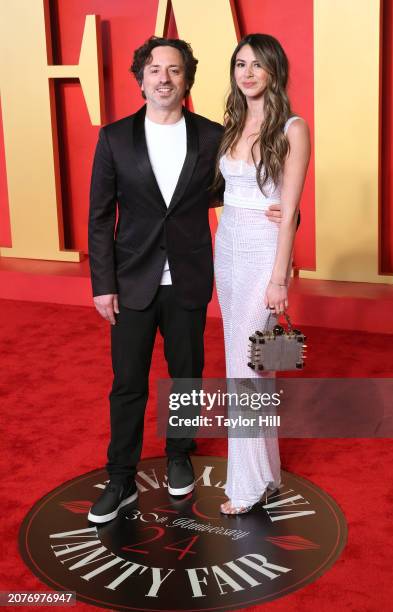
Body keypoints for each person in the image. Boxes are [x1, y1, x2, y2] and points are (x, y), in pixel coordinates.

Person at [87, 35, 284, 524]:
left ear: (187, 79)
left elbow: (242, 191)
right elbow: (99, 216)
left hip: (191, 278)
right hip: (131, 281)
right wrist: (102, 283)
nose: (163, 78)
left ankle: (179, 454)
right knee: (127, 382)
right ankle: (120, 478)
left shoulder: (213, 135)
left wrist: (284, 214)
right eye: (154, 70)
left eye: (174, 70)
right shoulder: (113, 137)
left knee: (187, 377)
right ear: (140, 79)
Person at [213, 33, 310, 514]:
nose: (247, 73)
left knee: (243, 368)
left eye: (256, 65)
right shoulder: (231, 125)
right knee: (252, 362)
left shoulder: (293, 127)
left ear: (275, 70)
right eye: (240, 64)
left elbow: (288, 210)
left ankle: (248, 485)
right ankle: (266, 474)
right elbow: (224, 195)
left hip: (262, 254)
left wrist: (279, 277)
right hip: (225, 249)